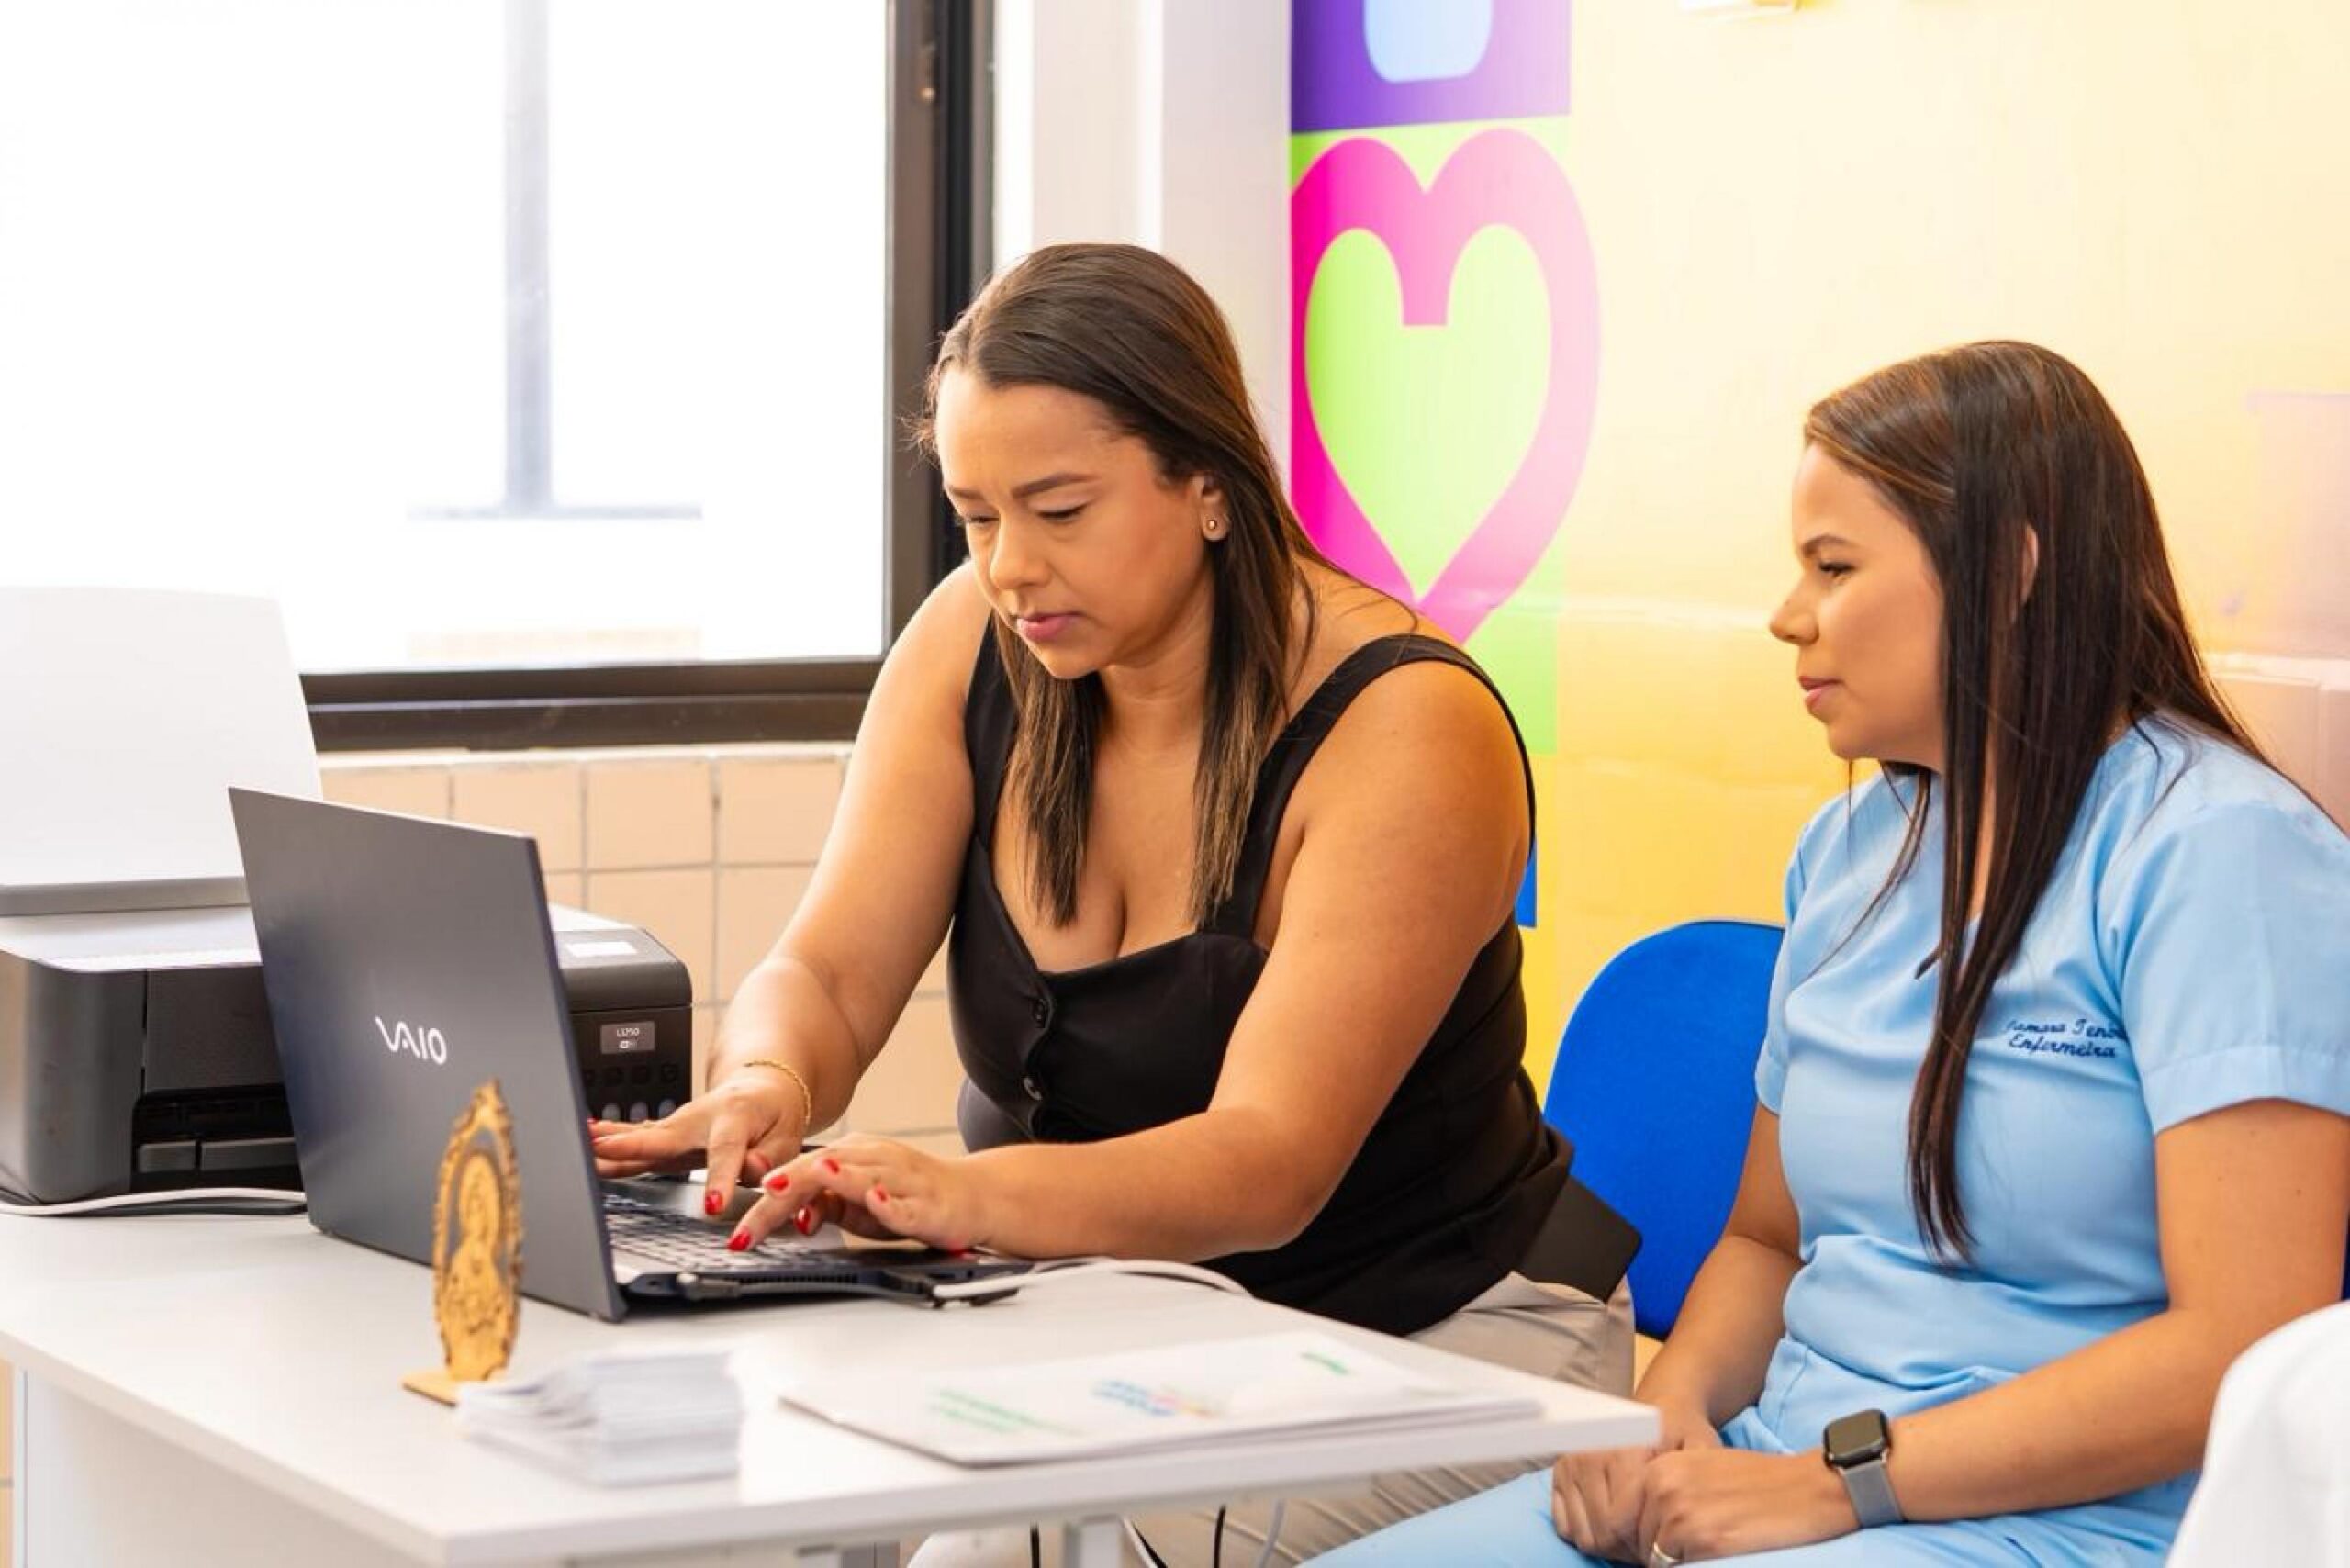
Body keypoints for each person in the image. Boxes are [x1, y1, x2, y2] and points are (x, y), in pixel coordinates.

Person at [588, 242, 1633, 1561]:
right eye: (977, 516)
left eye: (1059, 510)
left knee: (1012, 1549)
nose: (1009, 565)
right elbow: (833, 975)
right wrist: (767, 1084)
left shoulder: (1407, 724)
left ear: (1206, 482)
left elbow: (1270, 1164)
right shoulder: (972, 637)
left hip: (1442, 1338)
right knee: (783, 1503)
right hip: (1133, 1329)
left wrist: (962, 1196)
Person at [1320, 341, 2350, 1565]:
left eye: (1834, 566)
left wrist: (1846, 1485)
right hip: (1786, 1474)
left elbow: (2244, 1341)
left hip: (2062, 1522)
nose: (1785, 614)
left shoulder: (2222, 854)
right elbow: (1767, 1240)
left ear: (2007, 572)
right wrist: (1665, 1412)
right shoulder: (1851, 850)